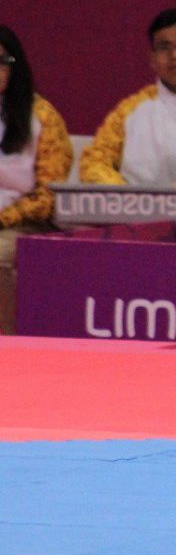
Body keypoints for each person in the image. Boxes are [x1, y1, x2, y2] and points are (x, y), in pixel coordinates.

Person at [79, 9, 176, 187]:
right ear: (152, 58)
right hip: (134, 203)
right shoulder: (131, 109)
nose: (175, 55)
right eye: (164, 47)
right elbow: (94, 162)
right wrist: (128, 195)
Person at [0, 25, 72, 334]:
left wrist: (3, 218)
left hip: (25, 223)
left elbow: (49, 194)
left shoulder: (41, 116)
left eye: (2, 62)